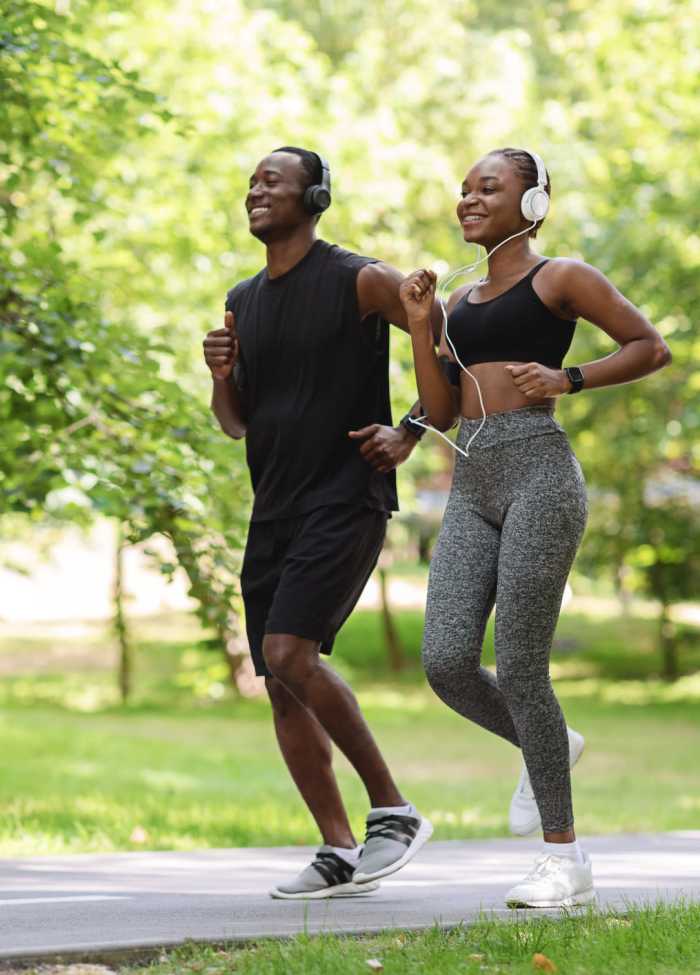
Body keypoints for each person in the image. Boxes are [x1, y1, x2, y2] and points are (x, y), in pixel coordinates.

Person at [398, 147, 671, 908]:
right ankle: (547, 741)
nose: (468, 200)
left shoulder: (562, 277)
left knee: (521, 668)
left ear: (532, 204)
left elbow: (652, 345)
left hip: (541, 474)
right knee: (446, 659)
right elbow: (443, 409)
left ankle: (566, 861)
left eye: (489, 187)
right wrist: (421, 326)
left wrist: (570, 378)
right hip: (472, 479)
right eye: (463, 190)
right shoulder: (457, 302)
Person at [203, 147, 437, 899]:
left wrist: (411, 428)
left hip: (346, 494)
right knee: (279, 681)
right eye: (251, 183)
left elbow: (443, 341)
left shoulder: (359, 278)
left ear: (318, 195)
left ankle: (394, 811)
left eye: (272, 180)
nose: (256, 191)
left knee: (288, 651)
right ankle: (337, 850)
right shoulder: (244, 297)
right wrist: (218, 376)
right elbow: (236, 423)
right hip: (272, 507)